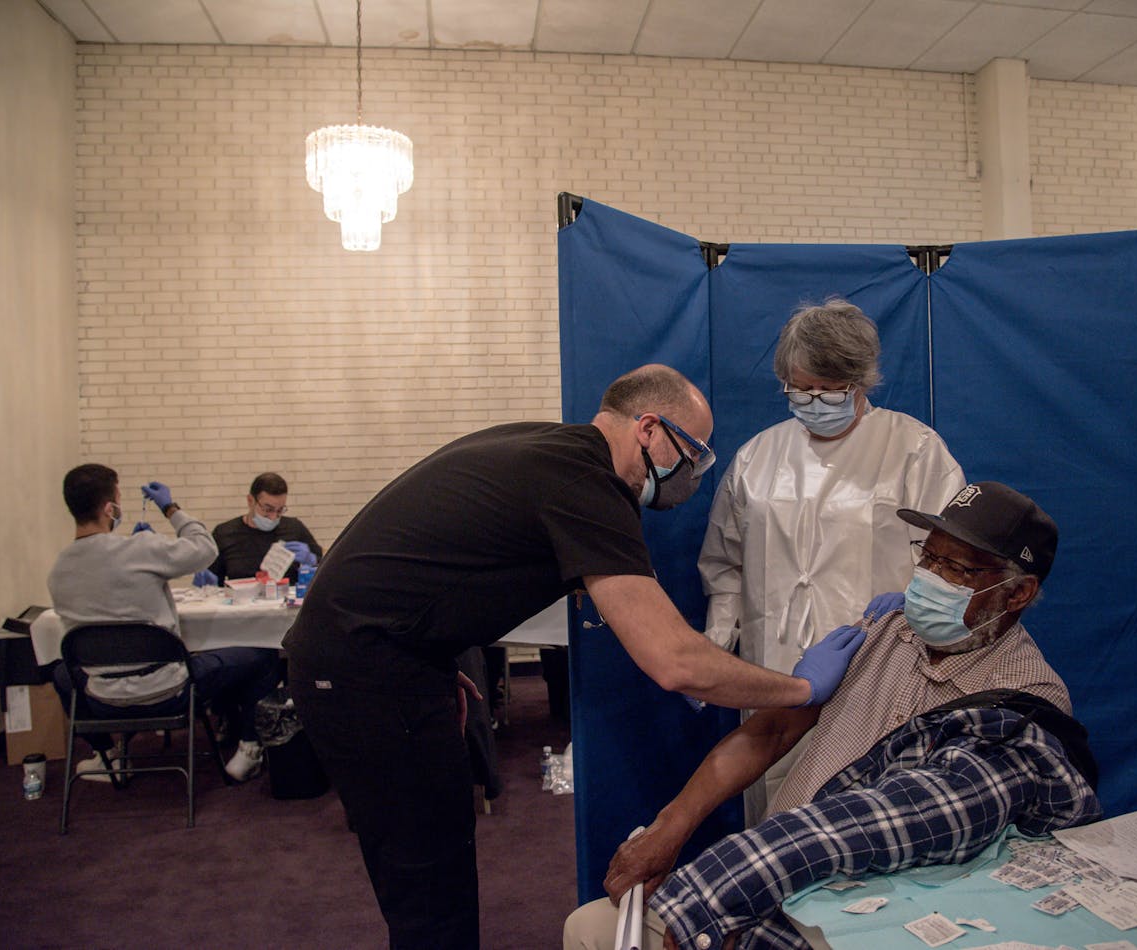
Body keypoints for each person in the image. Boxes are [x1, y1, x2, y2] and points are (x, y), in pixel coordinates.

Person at [282, 364, 870, 949]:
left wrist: (429, 658)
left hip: (384, 655)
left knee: (441, 858)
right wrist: (801, 688)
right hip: (362, 667)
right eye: (692, 451)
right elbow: (676, 663)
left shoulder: (552, 451)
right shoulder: (586, 487)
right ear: (647, 427)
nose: (692, 471)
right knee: (428, 881)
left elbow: (424, 566)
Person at [565, 480, 1083, 949]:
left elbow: (896, 821)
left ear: (1017, 592)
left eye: (958, 568)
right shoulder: (882, 630)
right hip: (771, 877)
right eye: (929, 557)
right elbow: (769, 733)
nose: (930, 578)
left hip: (868, 913)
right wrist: (669, 828)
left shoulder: (1022, 704)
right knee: (589, 929)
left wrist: (726, 887)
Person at [698, 297, 965, 816]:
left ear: (861, 380)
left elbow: (954, 563)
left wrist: (921, 625)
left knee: (870, 808)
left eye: (830, 388)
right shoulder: (756, 458)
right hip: (772, 664)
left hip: (879, 665)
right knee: (775, 805)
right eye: (801, 388)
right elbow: (724, 564)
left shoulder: (913, 450)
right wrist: (714, 646)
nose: (814, 399)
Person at [47, 464, 281, 783]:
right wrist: (170, 508)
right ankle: (250, 748)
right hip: (169, 690)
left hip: (101, 697)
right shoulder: (139, 549)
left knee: (61, 671)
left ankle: (108, 755)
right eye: (118, 498)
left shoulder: (58, 570)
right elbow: (204, 548)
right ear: (109, 508)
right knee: (264, 652)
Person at [194, 471, 322, 587]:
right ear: (250, 501)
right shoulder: (225, 533)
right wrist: (207, 583)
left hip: (285, 607)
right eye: (267, 509)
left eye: (280, 510)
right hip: (241, 607)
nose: (273, 517)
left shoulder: (294, 528)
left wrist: (312, 561)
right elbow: (213, 579)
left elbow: (324, 569)